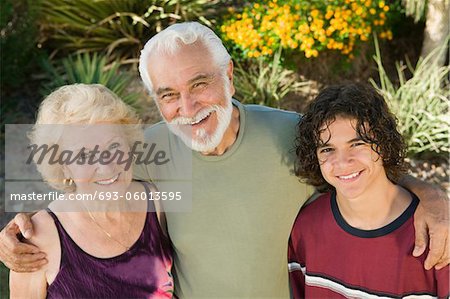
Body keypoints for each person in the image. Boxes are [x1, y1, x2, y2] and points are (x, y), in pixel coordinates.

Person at [1, 23, 449, 298]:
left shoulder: (291, 133)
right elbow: (82, 175)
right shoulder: (145, 151)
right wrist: (22, 227)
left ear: (229, 75)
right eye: (169, 95)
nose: (189, 107)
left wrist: (431, 195)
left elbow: (359, 167)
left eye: (200, 84)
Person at [9, 84, 174, 298]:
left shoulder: (155, 203)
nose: (106, 167)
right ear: (63, 166)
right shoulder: (38, 237)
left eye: (114, 147)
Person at [288, 83, 449, 298]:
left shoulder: (437, 238)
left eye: (357, 144)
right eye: (327, 149)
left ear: (383, 143)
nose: (343, 162)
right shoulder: (305, 230)